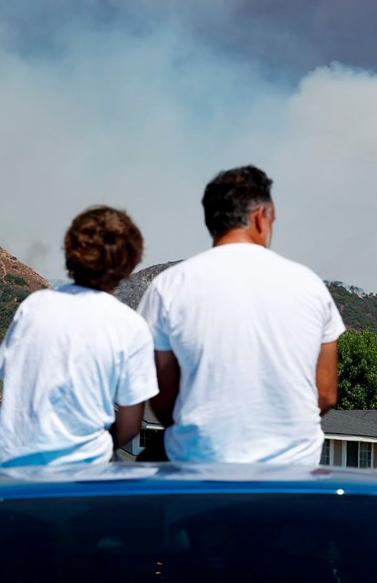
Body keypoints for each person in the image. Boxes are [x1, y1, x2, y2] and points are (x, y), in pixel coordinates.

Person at [137, 165, 345, 464]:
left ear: (211, 221)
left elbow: (162, 395)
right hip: (292, 475)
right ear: (261, 216)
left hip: (198, 469)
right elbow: (325, 395)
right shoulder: (310, 287)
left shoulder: (169, 286)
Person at [0, 206, 158, 467]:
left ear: (70, 252)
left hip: (2, 461)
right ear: (129, 263)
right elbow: (131, 425)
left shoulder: (33, 306)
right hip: (77, 471)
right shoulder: (130, 326)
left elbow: (13, 392)